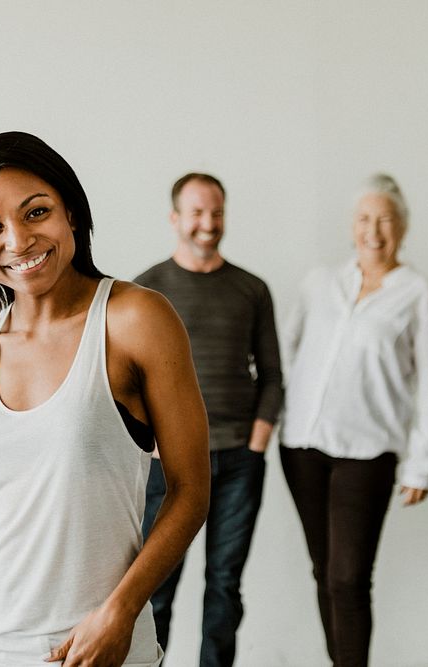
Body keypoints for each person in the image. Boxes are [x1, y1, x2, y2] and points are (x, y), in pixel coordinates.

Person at [0, 131, 210, 667]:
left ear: (70, 211)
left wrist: (119, 612)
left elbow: (191, 490)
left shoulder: (135, 321)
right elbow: (18, 497)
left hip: (87, 649)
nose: (18, 241)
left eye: (35, 212)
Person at [279, 173, 428, 667]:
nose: (374, 230)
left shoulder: (419, 294)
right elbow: (286, 352)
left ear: (403, 227)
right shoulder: (320, 282)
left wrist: (423, 463)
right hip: (302, 446)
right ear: (352, 225)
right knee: (323, 570)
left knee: (348, 578)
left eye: (386, 219)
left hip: (368, 452)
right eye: (364, 219)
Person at [134, 172, 283, 666]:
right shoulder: (147, 290)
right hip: (168, 465)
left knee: (224, 586)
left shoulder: (251, 289)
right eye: (197, 213)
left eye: (216, 212)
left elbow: (273, 377)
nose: (208, 223)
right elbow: (124, 381)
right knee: (156, 587)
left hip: (240, 461)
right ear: (175, 218)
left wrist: (256, 445)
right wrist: (149, 445)